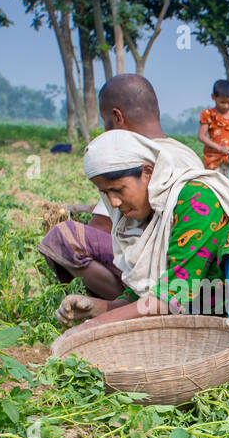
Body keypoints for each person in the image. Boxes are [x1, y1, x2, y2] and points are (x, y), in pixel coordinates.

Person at [55, 130, 229, 385]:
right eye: (105, 193)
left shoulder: (194, 197)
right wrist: (101, 308)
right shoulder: (146, 216)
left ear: (147, 172)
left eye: (118, 189)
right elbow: (150, 293)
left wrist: (97, 327)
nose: (113, 202)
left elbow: (173, 295)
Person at [38, 75, 202, 300]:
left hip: (157, 275)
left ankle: (118, 306)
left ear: (117, 117)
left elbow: (102, 227)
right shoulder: (186, 155)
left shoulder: (127, 161)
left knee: (63, 237)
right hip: (187, 272)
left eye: (106, 122)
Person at [197, 79, 229, 171]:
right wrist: (220, 148)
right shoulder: (208, 114)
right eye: (222, 102)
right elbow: (201, 136)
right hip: (213, 161)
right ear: (213, 97)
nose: (226, 106)